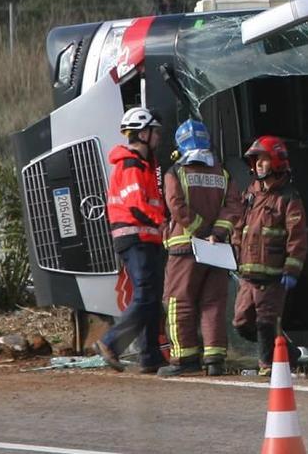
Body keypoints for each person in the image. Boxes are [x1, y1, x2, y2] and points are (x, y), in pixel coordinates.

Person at [157, 119, 242, 377]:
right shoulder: (223, 174)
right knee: (213, 303)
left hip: (185, 248)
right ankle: (215, 359)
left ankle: (184, 358)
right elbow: (233, 207)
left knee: (177, 302)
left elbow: (176, 205)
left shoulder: (176, 172)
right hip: (217, 250)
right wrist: (216, 233)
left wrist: (201, 231)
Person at [95, 107, 167, 373]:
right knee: (146, 296)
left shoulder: (144, 165)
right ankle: (111, 342)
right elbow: (136, 206)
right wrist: (163, 221)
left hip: (146, 238)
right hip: (136, 237)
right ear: (143, 133)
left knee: (151, 296)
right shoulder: (131, 164)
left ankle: (150, 357)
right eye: (155, 132)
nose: (158, 137)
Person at [232, 136, 307, 376]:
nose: (258, 166)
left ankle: (268, 365)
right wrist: (233, 253)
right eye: (255, 162)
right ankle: (287, 352)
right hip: (247, 274)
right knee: (242, 323)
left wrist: (291, 269)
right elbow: (238, 227)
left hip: (273, 276)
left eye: (262, 160)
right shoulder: (250, 195)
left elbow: (297, 237)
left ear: (276, 161)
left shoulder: (288, 198)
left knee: (266, 321)